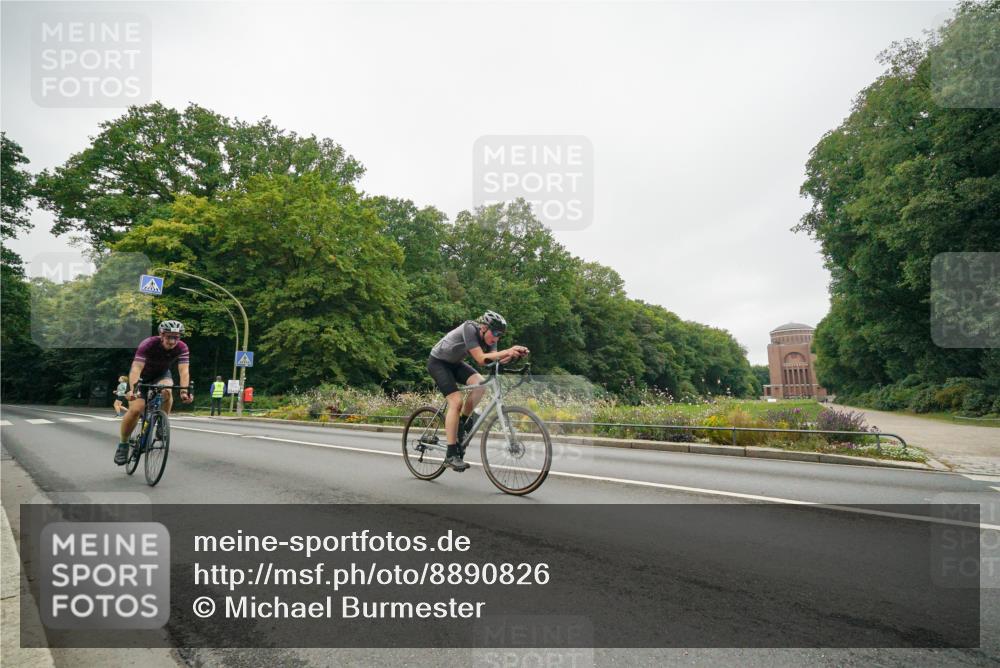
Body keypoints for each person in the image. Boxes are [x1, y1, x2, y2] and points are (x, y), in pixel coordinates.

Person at [427, 311, 529, 471]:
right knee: (456, 402)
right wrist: (508, 350)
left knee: (481, 385)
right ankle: (450, 454)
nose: (496, 338)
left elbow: (491, 359)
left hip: (455, 364)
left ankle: (461, 423)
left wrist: (514, 355)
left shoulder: (490, 340)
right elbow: (481, 358)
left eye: (500, 335)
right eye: (495, 333)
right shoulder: (469, 328)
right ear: (484, 327)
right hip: (438, 363)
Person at [115, 320, 194, 465]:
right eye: (169, 337)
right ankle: (123, 444)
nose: (172, 341)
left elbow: (184, 371)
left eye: (176, 337)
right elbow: (136, 368)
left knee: (167, 391)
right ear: (161, 335)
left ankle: (161, 424)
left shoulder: (182, 347)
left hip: (161, 375)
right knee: (136, 410)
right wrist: (134, 390)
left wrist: (184, 391)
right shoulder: (149, 344)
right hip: (141, 377)